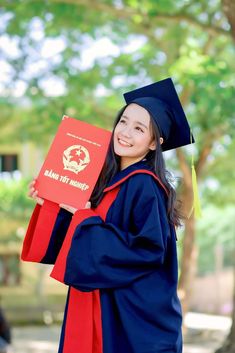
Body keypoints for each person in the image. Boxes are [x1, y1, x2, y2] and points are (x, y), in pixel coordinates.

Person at [23, 77, 194, 353]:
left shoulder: (145, 184)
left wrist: (84, 218)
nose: (125, 132)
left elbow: (147, 251)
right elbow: (80, 239)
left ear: (154, 143)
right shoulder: (106, 181)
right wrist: (53, 202)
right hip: (99, 304)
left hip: (127, 319)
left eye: (139, 128)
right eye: (123, 121)